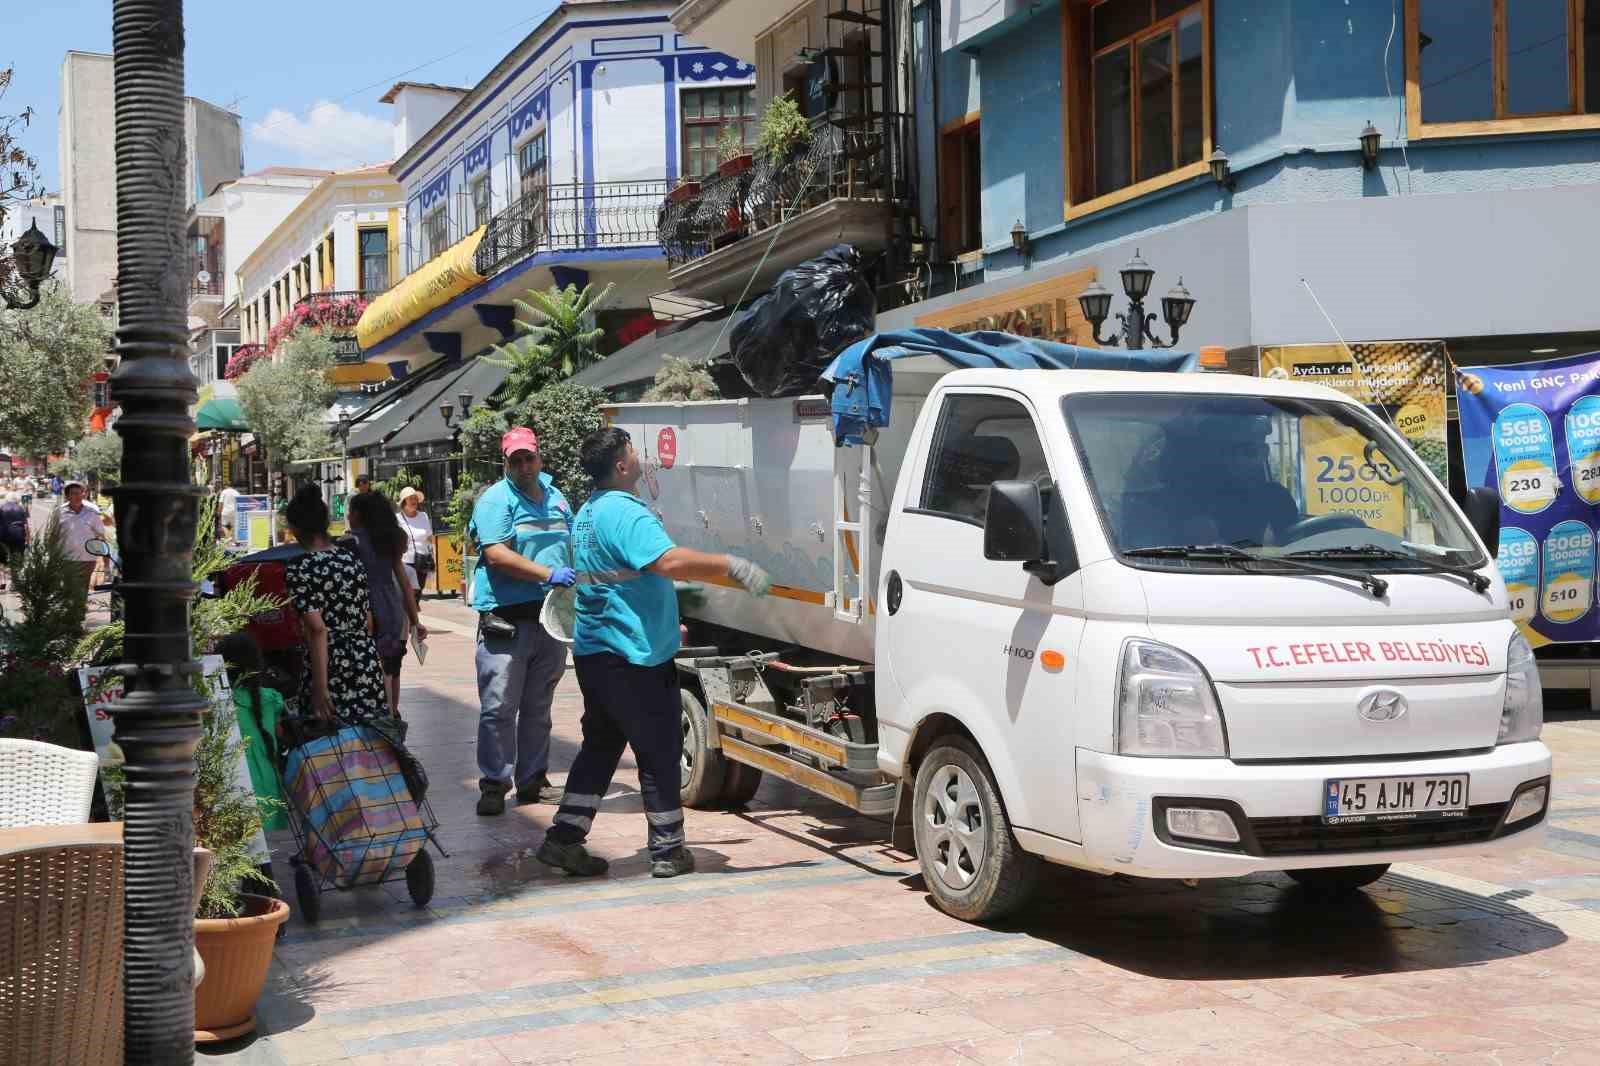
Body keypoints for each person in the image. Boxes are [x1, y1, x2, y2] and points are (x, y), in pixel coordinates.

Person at [536, 427, 770, 880]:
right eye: (632, 451)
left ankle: (564, 838)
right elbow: (665, 562)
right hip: (633, 657)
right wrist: (729, 565)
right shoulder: (626, 513)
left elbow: (624, 579)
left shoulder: (588, 512)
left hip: (597, 651)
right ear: (622, 465)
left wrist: (666, 611)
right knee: (659, 749)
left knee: (601, 748)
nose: (639, 456)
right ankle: (667, 849)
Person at [469, 427, 576, 816]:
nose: (525, 465)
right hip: (507, 620)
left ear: (539, 457)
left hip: (549, 619)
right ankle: (495, 783)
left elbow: (571, 540)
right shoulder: (496, 500)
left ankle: (533, 780)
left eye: (529, 457)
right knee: (498, 707)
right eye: (516, 459)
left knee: (538, 706)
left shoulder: (556, 496)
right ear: (506, 462)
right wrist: (548, 574)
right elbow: (496, 554)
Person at [282, 485, 390, 726]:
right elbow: (367, 620)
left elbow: (317, 629)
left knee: (328, 749)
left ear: (296, 528)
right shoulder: (350, 558)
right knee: (368, 746)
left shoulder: (300, 567)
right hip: (365, 661)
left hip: (331, 665)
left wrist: (320, 689)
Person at [343, 490, 427, 718]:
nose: (347, 515)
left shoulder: (351, 542)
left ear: (359, 515)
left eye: (350, 511)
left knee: (371, 672)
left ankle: (380, 725)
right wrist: (416, 621)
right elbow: (405, 585)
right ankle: (390, 718)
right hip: (392, 610)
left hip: (366, 611)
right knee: (389, 670)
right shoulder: (389, 540)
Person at [56, 480, 104, 592]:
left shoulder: (92, 512)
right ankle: (72, 609)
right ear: (67, 496)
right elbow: (53, 535)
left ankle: (81, 608)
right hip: (67, 558)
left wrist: (100, 555)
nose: (78, 496)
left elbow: (101, 534)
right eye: (74, 493)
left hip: (87, 557)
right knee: (69, 588)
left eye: (80, 493)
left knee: (83, 588)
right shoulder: (59, 513)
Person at [397, 487, 434, 609]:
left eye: (415, 499)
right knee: (408, 593)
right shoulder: (398, 518)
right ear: (404, 502)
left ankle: (413, 622)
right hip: (406, 560)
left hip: (422, 559)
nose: (414, 501)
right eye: (410, 499)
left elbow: (429, 536)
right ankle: (410, 622)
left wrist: (432, 554)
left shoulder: (423, 516)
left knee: (418, 593)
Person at [0, 491, 28, 592]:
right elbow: (26, 526)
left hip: (4, 536)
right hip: (18, 537)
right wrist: (28, 539)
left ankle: (3, 582)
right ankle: (15, 583)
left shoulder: (1, 507)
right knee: (17, 559)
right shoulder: (21, 508)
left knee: (3, 560)